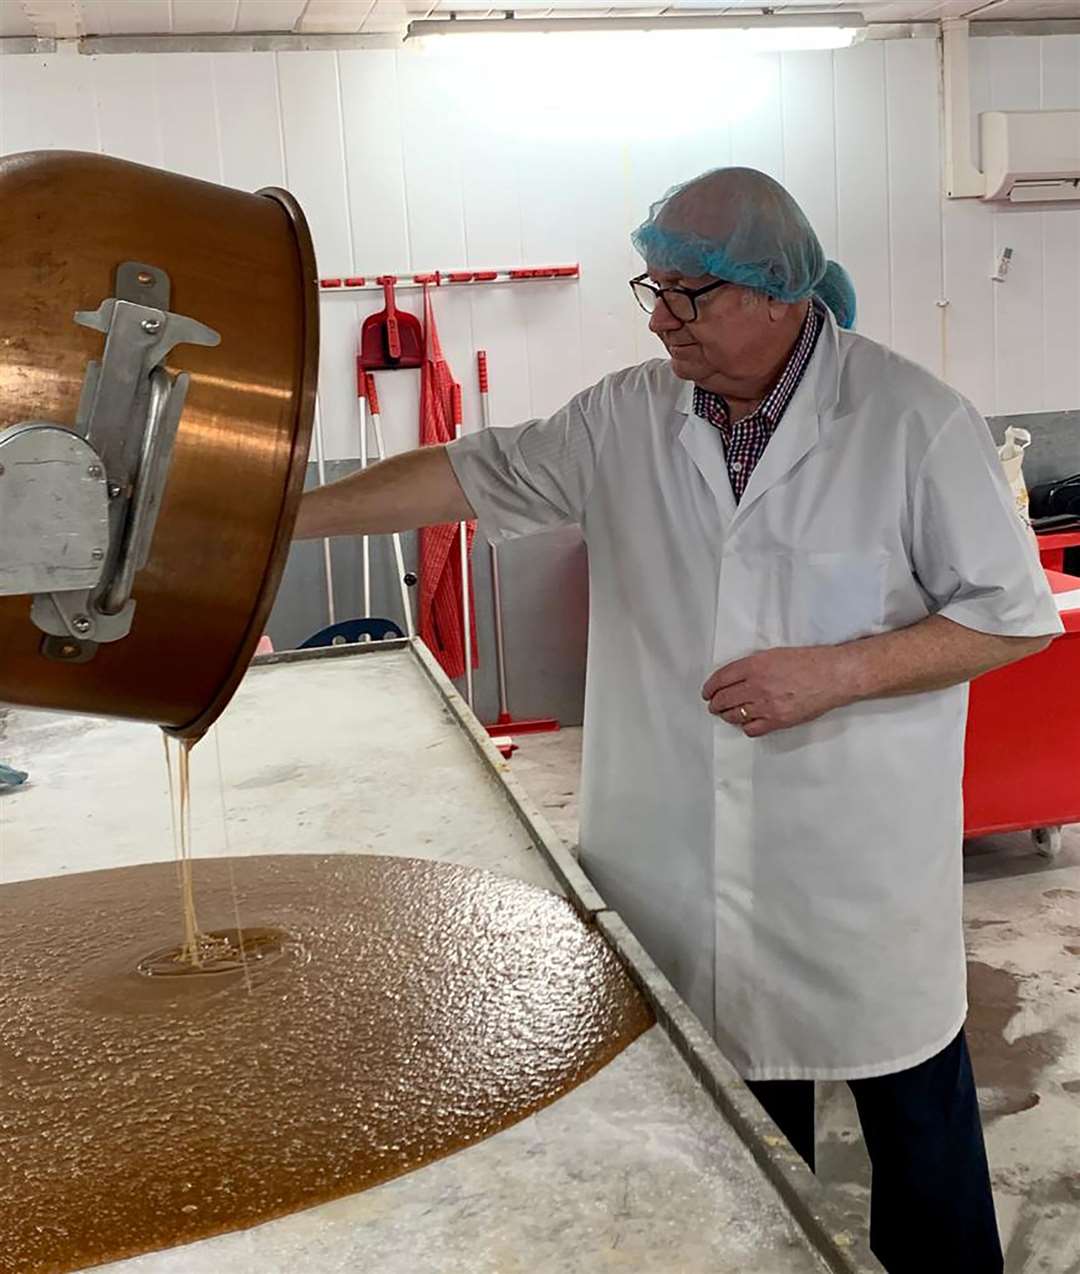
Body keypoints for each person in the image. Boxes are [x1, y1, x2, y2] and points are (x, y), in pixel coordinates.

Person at [295, 167, 1061, 1273]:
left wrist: (837, 670)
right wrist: (274, 514)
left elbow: (1012, 618)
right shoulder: (625, 416)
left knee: (925, 1165)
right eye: (650, 291)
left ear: (778, 291)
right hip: (678, 871)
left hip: (857, 883)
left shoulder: (909, 421)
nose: (662, 319)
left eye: (688, 295)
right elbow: (465, 474)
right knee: (741, 1170)